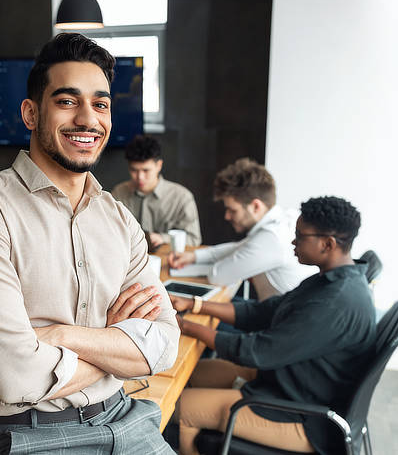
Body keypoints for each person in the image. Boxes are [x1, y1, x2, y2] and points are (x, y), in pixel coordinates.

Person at [0, 33, 179, 454]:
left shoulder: (119, 218)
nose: (88, 119)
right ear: (31, 113)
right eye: (67, 101)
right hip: (34, 436)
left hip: (126, 417)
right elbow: (17, 376)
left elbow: (163, 347)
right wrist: (115, 342)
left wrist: (61, 335)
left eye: (100, 104)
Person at [177, 196, 376, 454]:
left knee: (178, 407)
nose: (293, 241)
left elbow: (256, 351)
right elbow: (265, 311)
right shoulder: (333, 279)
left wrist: (187, 326)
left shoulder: (334, 302)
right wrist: (195, 305)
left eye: (300, 236)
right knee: (191, 374)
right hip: (287, 383)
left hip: (302, 416)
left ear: (327, 244)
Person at [169, 158, 313, 304]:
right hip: (272, 311)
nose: (227, 216)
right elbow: (241, 247)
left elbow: (218, 276)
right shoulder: (283, 219)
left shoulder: (272, 238)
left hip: (278, 322)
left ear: (256, 206)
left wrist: (196, 262)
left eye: (232, 210)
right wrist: (194, 256)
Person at [112, 135, 202, 250]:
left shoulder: (182, 197)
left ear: (159, 165)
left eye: (146, 170)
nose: (140, 177)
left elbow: (194, 239)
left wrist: (163, 238)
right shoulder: (119, 193)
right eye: (134, 170)